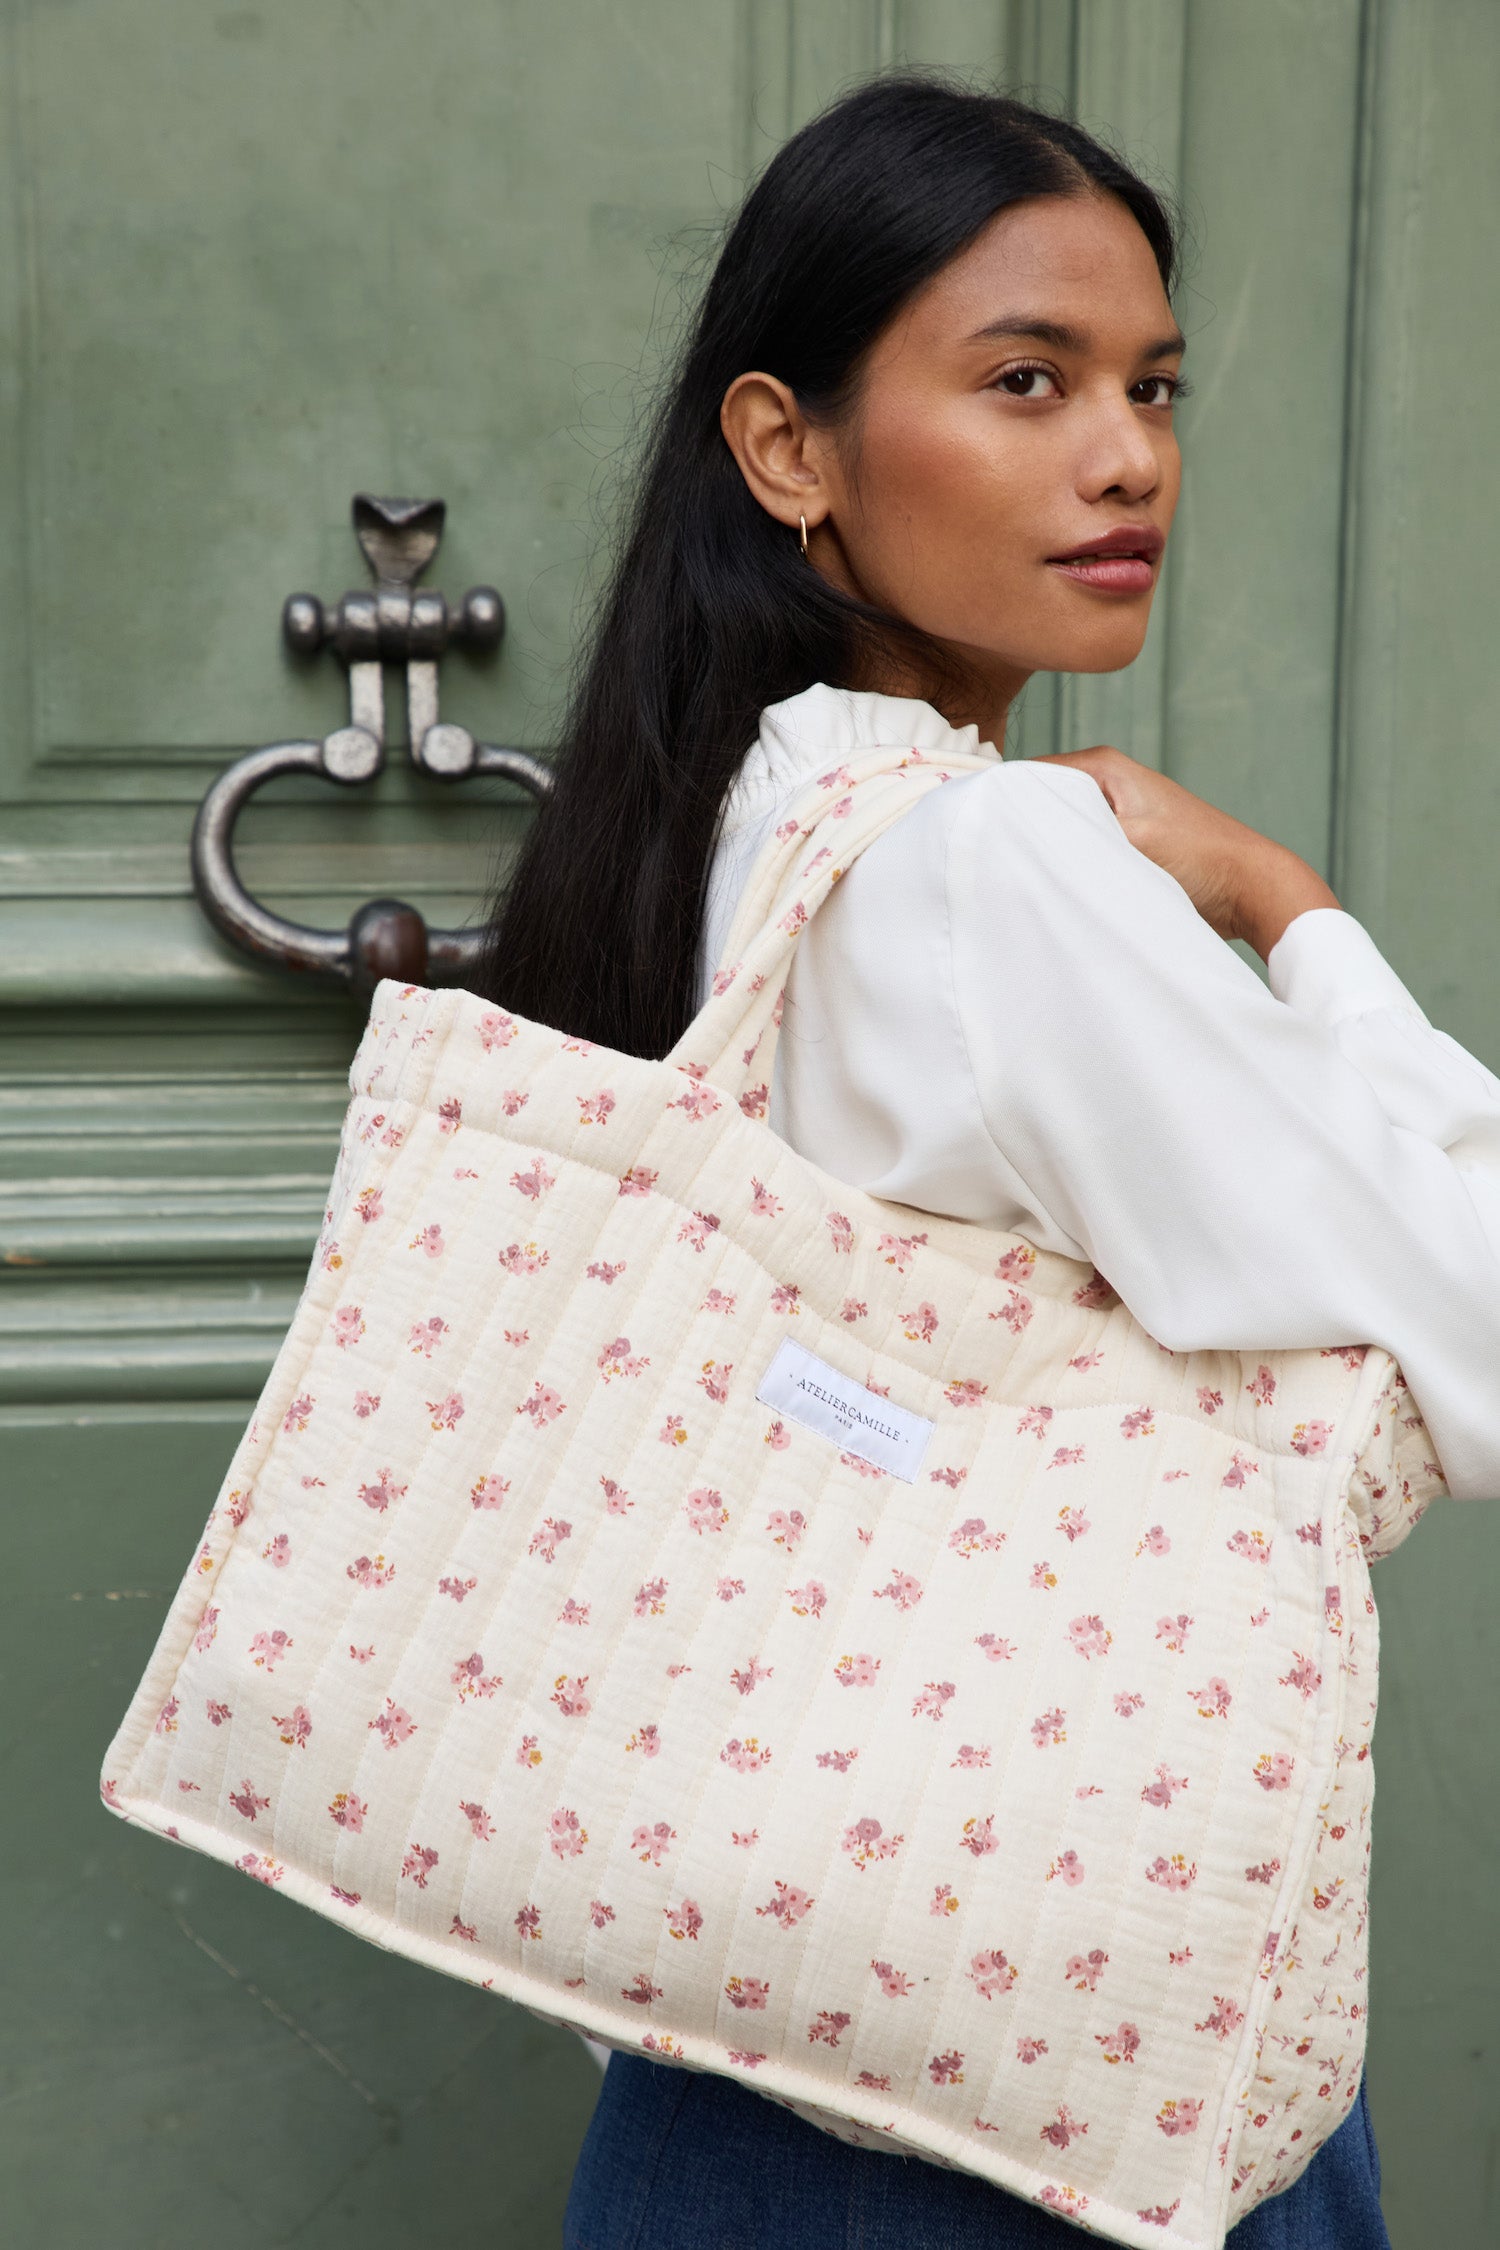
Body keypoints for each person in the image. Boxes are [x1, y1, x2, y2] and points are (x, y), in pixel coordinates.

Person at [476, 70, 1500, 2250]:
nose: (1128, 455)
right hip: (1028, 2119)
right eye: (1027, 381)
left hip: (735, 2073)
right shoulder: (987, 864)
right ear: (789, 449)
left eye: (1152, 385)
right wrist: (1296, 910)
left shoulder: (722, 822)